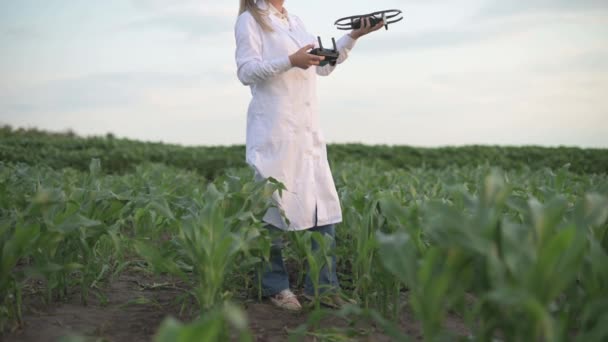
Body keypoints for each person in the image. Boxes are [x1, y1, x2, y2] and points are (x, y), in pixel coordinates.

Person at [234, 0, 383, 312]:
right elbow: (246, 72)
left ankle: (323, 287)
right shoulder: (251, 20)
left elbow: (324, 66)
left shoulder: (295, 21)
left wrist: (353, 37)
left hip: (307, 130)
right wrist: (290, 60)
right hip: (275, 128)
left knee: (321, 205)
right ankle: (275, 287)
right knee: (273, 208)